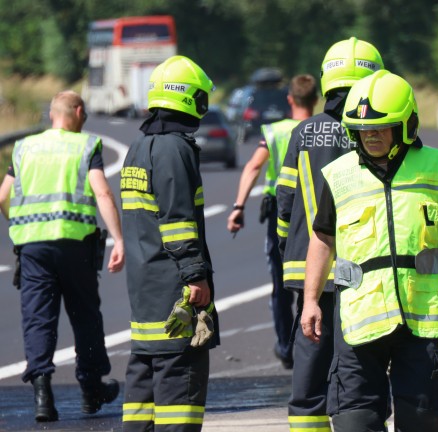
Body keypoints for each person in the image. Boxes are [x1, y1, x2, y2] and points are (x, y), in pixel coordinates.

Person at [300, 70, 438, 432]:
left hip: (421, 317)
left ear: (407, 125)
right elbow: (323, 239)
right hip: (357, 320)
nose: (371, 135)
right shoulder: (338, 174)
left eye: (381, 128)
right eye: (364, 129)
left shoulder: (437, 168)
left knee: (422, 420)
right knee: (353, 422)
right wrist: (310, 300)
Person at [275, 37, 384, 432]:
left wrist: (290, 249)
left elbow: (284, 202)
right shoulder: (374, 133)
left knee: (310, 362)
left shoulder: (302, 133)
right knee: (357, 364)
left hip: (309, 267)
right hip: (363, 270)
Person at [0, 90, 125, 422]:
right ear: (79, 112)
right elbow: (102, 191)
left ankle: (43, 397)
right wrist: (118, 239)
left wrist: (20, 223)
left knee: (38, 318)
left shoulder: (24, 147)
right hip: (75, 244)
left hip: (32, 247)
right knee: (84, 314)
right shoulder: (84, 146)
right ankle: (91, 389)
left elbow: (3, 195)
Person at [120, 55, 220, 432]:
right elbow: (178, 223)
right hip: (174, 292)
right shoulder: (175, 149)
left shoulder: (138, 147)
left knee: (142, 393)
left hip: (144, 291)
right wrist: (196, 276)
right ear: (191, 99)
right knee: (181, 391)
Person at [227, 74, 318, 369]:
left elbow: (254, 166)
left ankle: (286, 347)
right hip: (316, 212)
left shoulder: (275, 131)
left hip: (280, 212)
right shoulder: (322, 129)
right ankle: (314, 341)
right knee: (315, 278)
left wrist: (238, 206)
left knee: (280, 285)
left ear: (290, 99)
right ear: (315, 100)